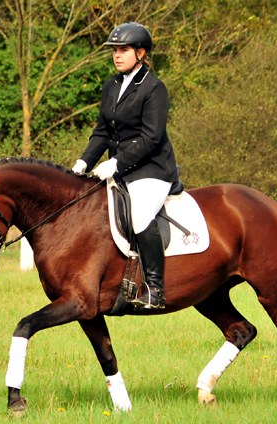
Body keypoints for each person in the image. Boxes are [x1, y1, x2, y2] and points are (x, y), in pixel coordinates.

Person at [72, 22, 179, 310]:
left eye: (124, 50)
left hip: (152, 169)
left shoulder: (155, 88)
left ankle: (155, 289)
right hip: (120, 168)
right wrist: (84, 162)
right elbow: (102, 132)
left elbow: (151, 137)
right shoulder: (111, 85)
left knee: (140, 215)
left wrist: (116, 162)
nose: (117, 55)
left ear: (141, 53)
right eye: (115, 51)